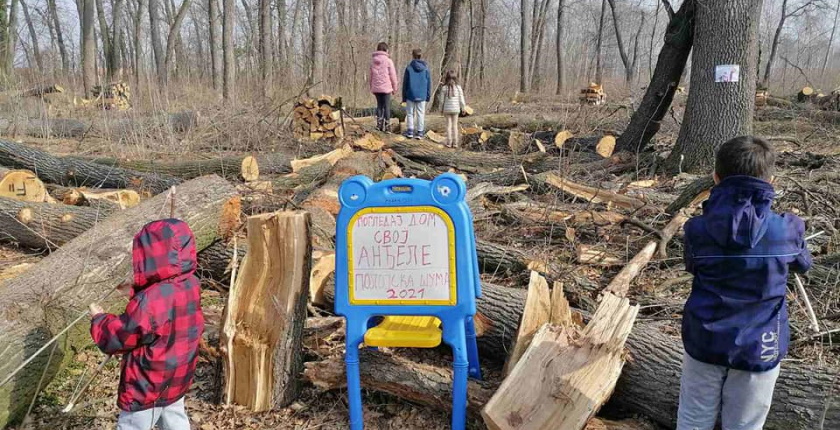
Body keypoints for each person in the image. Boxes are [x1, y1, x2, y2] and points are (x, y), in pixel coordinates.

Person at [677, 136, 812, 430]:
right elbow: (804, 265)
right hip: (760, 345)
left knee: (692, 420)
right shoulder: (787, 229)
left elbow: (693, 267)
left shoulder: (697, 230)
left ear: (715, 178)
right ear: (770, 179)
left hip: (704, 338)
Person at [89, 218, 205, 430]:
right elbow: (165, 308)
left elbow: (119, 337)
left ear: (149, 255)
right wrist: (135, 291)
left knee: (132, 426)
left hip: (146, 387)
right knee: (175, 420)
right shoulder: (191, 284)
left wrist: (99, 320)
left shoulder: (149, 301)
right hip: (175, 379)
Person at [401, 48, 431, 139]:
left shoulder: (409, 68)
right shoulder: (426, 69)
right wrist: (428, 96)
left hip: (410, 94)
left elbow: (405, 83)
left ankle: (410, 131)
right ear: (420, 56)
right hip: (422, 95)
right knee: (421, 114)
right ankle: (420, 133)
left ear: (413, 56)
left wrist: (404, 97)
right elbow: (429, 83)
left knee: (410, 113)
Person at [369, 42, 398, 132]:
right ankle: (387, 127)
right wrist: (395, 87)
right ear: (386, 50)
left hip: (376, 88)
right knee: (386, 106)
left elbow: (370, 76)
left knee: (379, 106)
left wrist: (371, 87)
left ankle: (379, 125)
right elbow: (393, 76)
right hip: (386, 88)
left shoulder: (373, 61)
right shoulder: (388, 61)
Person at [440, 70, 466, 148]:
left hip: (447, 109)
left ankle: (449, 142)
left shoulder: (444, 88)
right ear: (456, 78)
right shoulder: (458, 88)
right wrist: (463, 107)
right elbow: (461, 99)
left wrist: (441, 109)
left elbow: (441, 101)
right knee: (455, 126)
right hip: (456, 109)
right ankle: (455, 143)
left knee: (448, 126)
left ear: (446, 78)